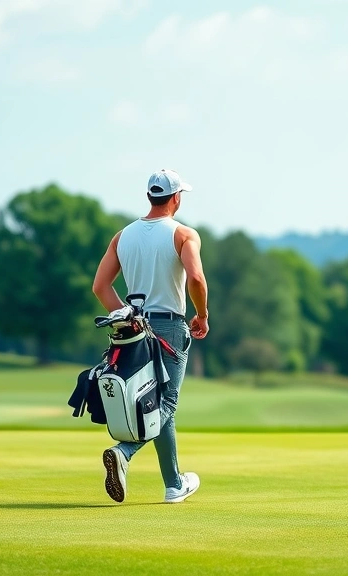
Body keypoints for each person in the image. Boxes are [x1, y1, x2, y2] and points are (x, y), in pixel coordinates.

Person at [91, 168, 210, 504]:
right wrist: (201, 315)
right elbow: (196, 279)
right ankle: (124, 452)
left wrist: (129, 317)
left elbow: (100, 286)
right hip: (170, 327)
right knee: (165, 403)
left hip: (133, 330)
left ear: (149, 197)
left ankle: (174, 484)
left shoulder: (122, 236)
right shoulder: (184, 234)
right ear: (175, 198)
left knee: (152, 400)